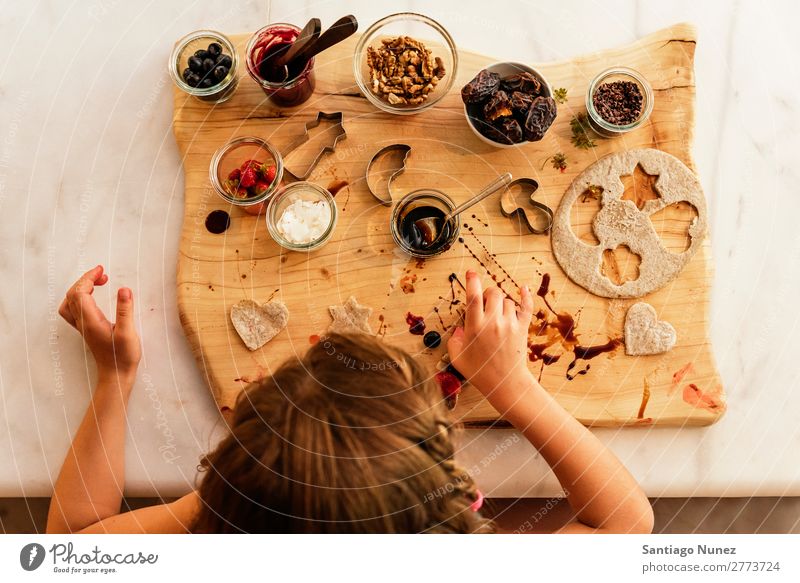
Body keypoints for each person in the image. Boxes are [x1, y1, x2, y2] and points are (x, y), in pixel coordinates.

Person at [46, 265, 653, 534]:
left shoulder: (231, 517)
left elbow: (75, 543)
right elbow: (626, 523)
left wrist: (115, 377)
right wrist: (513, 387)